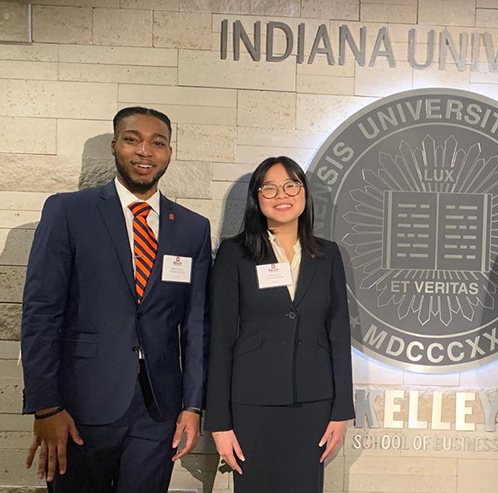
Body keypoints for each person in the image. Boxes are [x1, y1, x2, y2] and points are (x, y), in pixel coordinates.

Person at [20, 107, 212, 491]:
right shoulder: (69, 211)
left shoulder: (192, 228)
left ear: (169, 153)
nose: (145, 151)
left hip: (158, 411)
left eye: (157, 143)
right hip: (78, 407)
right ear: (114, 146)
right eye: (132, 139)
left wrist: (193, 406)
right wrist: (47, 406)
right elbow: (41, 312)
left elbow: (196, 324)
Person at [205, 156, 354, 492]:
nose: (281, 195)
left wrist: (341, 410)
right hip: (251, 405)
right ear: (256, 198)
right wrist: (219, 423)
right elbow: (221, 339)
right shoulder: (235, 253)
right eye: (269, 188)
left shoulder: (328, 255)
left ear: (304, 193)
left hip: (313, 405)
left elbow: (338, 332)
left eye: (290, 185)